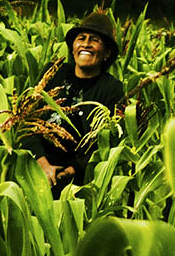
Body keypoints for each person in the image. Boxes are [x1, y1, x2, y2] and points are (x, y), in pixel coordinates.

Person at [24, 10, 124, 194]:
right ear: (72, 47)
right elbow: (27, 121)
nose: (86, 44)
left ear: (107, 53)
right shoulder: (54, 73)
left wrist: (71, 170)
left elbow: (107, 144)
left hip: (78, 183)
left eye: (94, 40)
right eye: (81, 38)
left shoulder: (112, 89)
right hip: (35, 169)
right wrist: (43, 165)